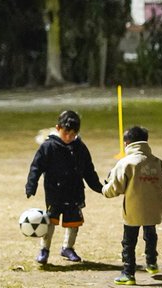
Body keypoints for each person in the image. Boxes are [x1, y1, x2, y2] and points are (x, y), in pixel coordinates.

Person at [102, 125, 162, 286]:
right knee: (150, 234)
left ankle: (128, 273)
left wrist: (105, 189)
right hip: (154, 207)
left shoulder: (126, 163)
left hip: (133, 209)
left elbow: (116, 187)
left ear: (126, 143)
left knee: (129, 241)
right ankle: (152, 263)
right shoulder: (157, 162)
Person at [25, 109, 103, 265]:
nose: (68, 137)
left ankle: (68, 247)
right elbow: (36, 167)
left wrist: (99, 187)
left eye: (72, 134)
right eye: (65, 133)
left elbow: (88, 170)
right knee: (50, 221)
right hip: (55, 192)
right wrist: (31, 185)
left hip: (74, 191)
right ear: (58, 128)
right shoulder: (48, 147)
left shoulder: (80, 148)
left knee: (74, 222)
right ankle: (44, 249)